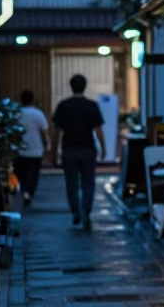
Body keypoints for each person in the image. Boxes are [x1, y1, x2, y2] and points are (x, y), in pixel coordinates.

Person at [52, 74, 106, 231]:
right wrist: (103, 148)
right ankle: (86, 213)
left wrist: (54, 151)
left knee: (71, 183)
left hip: (69, 148)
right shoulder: (92, 105)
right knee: (88, 182)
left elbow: (57, 132)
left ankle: (76, 212)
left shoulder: (63, 105)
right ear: (85, 86)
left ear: (71, 86)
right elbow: (98, 130)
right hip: (88, 148)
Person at [14, 90, 49, 205]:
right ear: (33, 100)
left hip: (19, 149)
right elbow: (44, 132)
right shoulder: (38, 114)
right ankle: (29, 193)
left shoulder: (16, 113)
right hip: (35, 150)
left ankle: (23, 190)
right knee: (33, 174)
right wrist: (47, 145)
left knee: (21, 173)